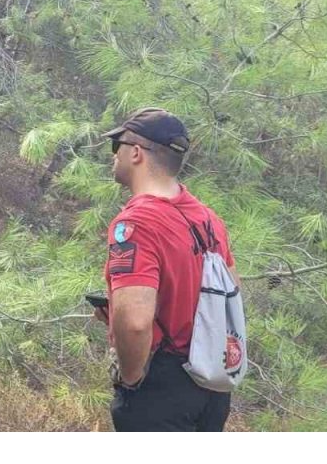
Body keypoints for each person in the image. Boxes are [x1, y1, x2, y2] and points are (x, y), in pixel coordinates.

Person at [96, 107, 240, 431]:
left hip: (160, 389)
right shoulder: (209, 219)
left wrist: (132, 379)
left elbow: (134, 324)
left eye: (115, 145)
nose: (112, 155)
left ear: (136, 153)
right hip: (211, 388)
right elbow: (232, 290)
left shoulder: (136, 223)